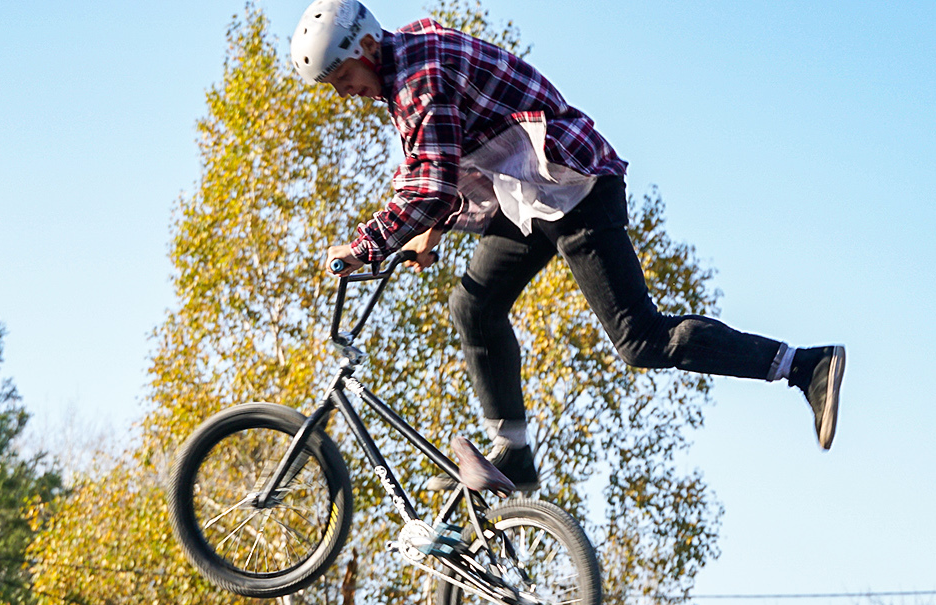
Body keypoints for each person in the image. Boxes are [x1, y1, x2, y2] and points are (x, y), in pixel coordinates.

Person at [296, 1, 847, 493]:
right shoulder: (413, 52)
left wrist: (367, 245)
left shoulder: (419, 78)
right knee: (474, 305)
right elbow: (449, 149)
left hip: (576, 185)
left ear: (367, 47)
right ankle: (514, 453)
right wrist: (432, 227)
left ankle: (804, 366)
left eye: (343, 77)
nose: (346, 93)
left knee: (640, 339)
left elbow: (429, 179)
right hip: (533, 196)